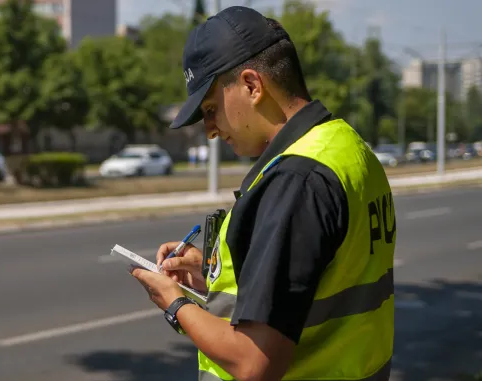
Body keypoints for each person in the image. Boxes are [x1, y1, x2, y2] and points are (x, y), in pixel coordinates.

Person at [129, 6, 395, 381]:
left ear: (253, 86)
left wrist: (174, 303)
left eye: (210, 109)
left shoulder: (294, 181)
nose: (210, 129)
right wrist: (216, 274)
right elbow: (320, 283)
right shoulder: (347, 147)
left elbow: (255, 362)